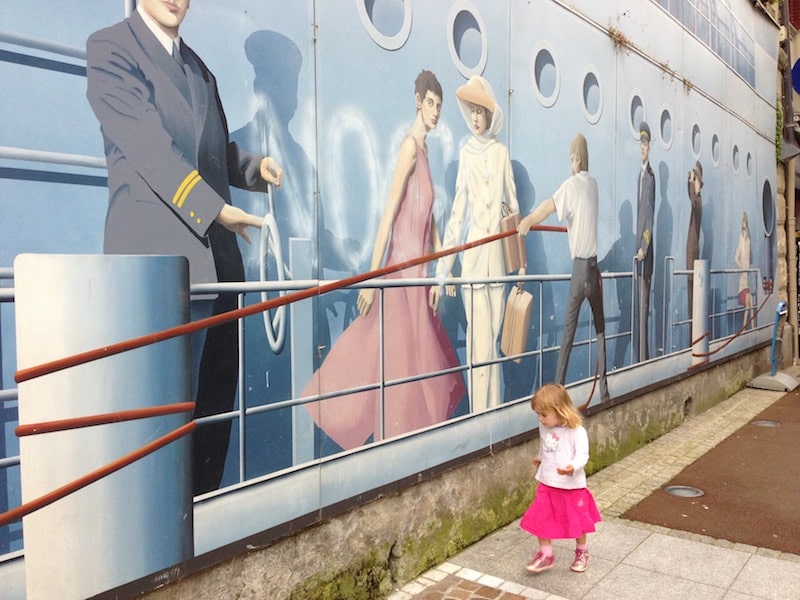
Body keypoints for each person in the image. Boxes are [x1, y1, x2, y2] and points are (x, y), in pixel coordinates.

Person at [86, 0, 283, 495]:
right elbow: (152, 149)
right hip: (156, 279)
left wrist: (252, 169)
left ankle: (200, 548)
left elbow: (209, 151)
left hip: (218, 274)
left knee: (212, 425)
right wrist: (216, 208)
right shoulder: (111, 49)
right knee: (157, 441)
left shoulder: (198, 68)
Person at [301, 70, 465, 451]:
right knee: (392, 355)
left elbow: (432, 219)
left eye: (439, 105)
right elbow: (389, 215)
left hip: (420, 273)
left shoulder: (424, 150)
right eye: (430, 103)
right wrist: (373, 280)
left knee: (416, 360)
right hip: (401, 271)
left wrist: (443, 271)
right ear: (417, 101)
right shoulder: (410, 147)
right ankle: (390, 440)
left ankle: (410, 443)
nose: (436, 111)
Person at [430, 76, 523, 412]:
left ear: (489, 113)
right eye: (471, 112)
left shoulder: (501, 154)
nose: (475, 118)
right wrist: (444, 268)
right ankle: (480, 418)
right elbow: (457, 214)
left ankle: (491, 417)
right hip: (472, 263)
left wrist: (520, 262)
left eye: (480, 112)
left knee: (491, 344)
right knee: (478, 344)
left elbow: (514, 209)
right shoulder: (466, 153)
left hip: (497, 264)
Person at [517, 133, 610, 404]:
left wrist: (529, 220)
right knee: (601, 328)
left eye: (571, 158)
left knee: (568, 333)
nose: (570, 163)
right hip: (594, 271)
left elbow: (549, 205)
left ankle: (557, 392)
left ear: (577, 158)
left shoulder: (571, 185)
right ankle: (604, 391)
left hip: (580, 270)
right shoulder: (593, 185)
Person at [520, 383, 601, 574]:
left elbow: (583, 455)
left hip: (571, 486)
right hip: (547, 482)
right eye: (537, 414)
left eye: (544, 415)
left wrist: (572, 467)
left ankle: (582, 552)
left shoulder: (577, 431)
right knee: (541, 518)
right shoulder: (545, 427)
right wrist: (541, 458)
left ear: (560, 410)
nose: (540, 419)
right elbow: (546, 446)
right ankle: (546, 554)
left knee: (577, 521)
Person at [634, 121, 655, 362]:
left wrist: (643, 248)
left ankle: (644, 361)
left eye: (645, 144)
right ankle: (642, 360)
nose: (642, 148)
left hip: (644, 257)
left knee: (643, 312)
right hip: (638, 255)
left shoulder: (649, 177)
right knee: (639, 313)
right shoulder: (639, 175)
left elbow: (648, 218)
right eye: (640, 144)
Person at [686, 161, 703, 318]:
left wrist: (692, 183)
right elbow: (691, 196)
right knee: (691, 299)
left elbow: (693, 200)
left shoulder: (698, 202)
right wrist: (690, 182)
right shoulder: (696, 199)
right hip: (691, 256)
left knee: (693, 301)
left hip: (693, 257)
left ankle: (694, 335)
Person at [735, 212, 753, 329]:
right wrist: (741, 267)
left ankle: (750, 327)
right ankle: (747, 327)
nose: (745, 230)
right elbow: (736, 257)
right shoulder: (741, 241)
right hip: (743, 280)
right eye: (744, 228)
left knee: (750, 304)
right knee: (748, 303)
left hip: (747, 279)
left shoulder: (748, 241)